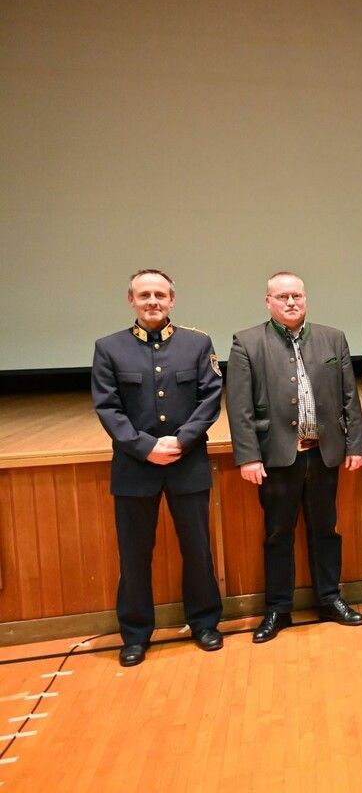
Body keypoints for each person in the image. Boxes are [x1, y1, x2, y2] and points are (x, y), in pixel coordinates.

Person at [91, 269, 224, 667]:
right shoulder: (109, 348)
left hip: (188, 463)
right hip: (135, 467)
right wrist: (146, 447)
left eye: (160, 295)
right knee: (133, 554)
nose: (153, 301)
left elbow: (210, 398)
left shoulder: (198, 344)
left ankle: (204, 624)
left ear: (172, 300)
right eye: (144, 294)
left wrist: (181, 441)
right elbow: (108, 408)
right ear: (130, 300)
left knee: (197, 550)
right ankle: (134, 634)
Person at [226, 272, 362, 643]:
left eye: (298, 296)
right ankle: (277, 608)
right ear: (268, 301)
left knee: (326, 530)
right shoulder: (247, 343)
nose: (291, 303)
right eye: (283, 296)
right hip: (276, 458)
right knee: (278, 535)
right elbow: (239, 407)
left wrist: (355, 445)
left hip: (324, 454)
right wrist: (248, 457)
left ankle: (329, 599)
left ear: (306, 299)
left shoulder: (332, 337)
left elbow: (350, 397)